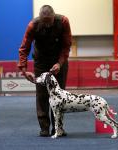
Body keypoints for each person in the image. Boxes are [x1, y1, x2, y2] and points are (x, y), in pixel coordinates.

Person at [18, 5, 72, 137]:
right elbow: (24, 48)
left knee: (59, 95)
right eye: (44, 22)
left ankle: (58, 128)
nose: (47, 25)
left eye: (50, 21)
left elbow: (66, 46)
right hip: (41, 62)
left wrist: (59, 63)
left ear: (54, 16)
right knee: (42, 95)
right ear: (40, 18)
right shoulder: (32, 25)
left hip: (59, 61)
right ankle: (44, 128)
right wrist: (24, 70)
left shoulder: (63, 21)